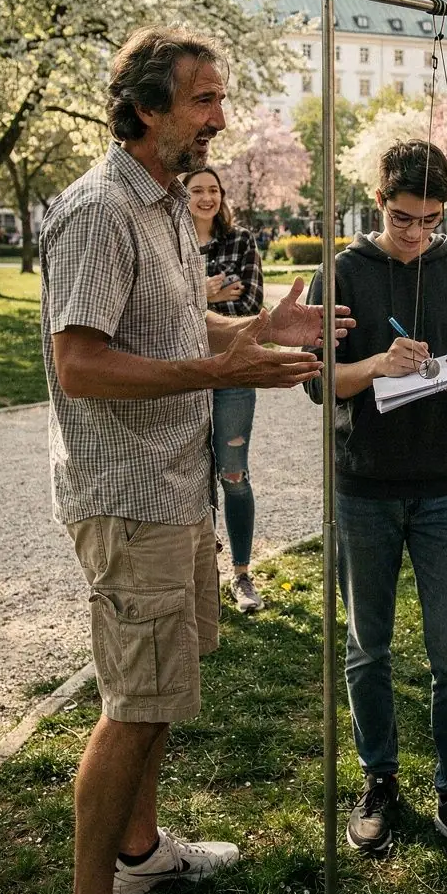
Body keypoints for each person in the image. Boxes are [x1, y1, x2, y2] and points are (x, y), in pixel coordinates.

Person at [41, 25, 351, 894]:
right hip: (125, 500)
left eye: (221, 99)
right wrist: (222, 366)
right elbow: (78, 361)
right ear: (146, 109)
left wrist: (255, 327)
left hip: (178, 493)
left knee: (161, 693)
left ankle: (142, 851)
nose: (222, 118)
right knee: (131, 708)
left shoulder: (171, 201)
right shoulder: (97, 211)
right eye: (204, 101)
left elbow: (172, 324)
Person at [307, 139, 447, 876]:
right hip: (365, 487)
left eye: (430, 220)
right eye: (401, 217)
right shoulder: (345, 273)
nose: (416, 233)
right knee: (369, 646)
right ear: (377, 198)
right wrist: (375, 366)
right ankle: (380, 779)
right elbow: (320, 382)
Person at [184, 166, 265, 614]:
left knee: (232, 473)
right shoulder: (170, 242)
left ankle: (242, 573)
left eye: (213, 189)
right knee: (191, 478)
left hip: (233, 373)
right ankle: (202, 581)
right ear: (184, 196)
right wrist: (206, 292)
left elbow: (251, 303)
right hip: (187, 372)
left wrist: (196, 298)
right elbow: (159, 304)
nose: (206, 197)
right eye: (196, 189)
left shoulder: (241, 241)